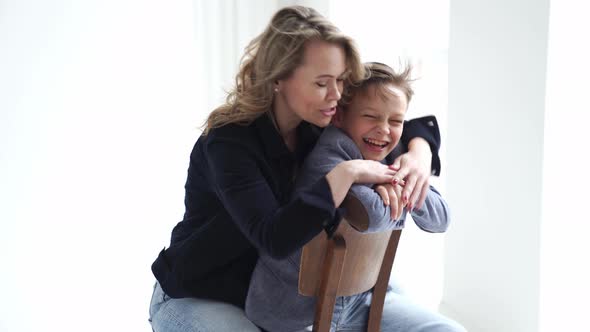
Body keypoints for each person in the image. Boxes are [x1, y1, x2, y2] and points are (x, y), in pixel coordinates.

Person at [149, 6, 442, 332]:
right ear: (278, 78)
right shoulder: (229, 143)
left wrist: (419, 153)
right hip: (203, 294)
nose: (337, 96)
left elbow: (389, 116)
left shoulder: (319, 125)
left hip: (295, 299)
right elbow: (274, 237)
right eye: (322, 83)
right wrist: (345, 174)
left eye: (341, 81)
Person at [245, 62, 465, 332]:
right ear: (339, 116)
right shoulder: (329, 158)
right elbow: (369, 215)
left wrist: (399, 177)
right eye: (371, 117)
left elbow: (441, 218)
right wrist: (395, 181)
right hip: (293, 314)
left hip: (357, 302)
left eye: (395, 121)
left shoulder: (390, 155)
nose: (384, 129)